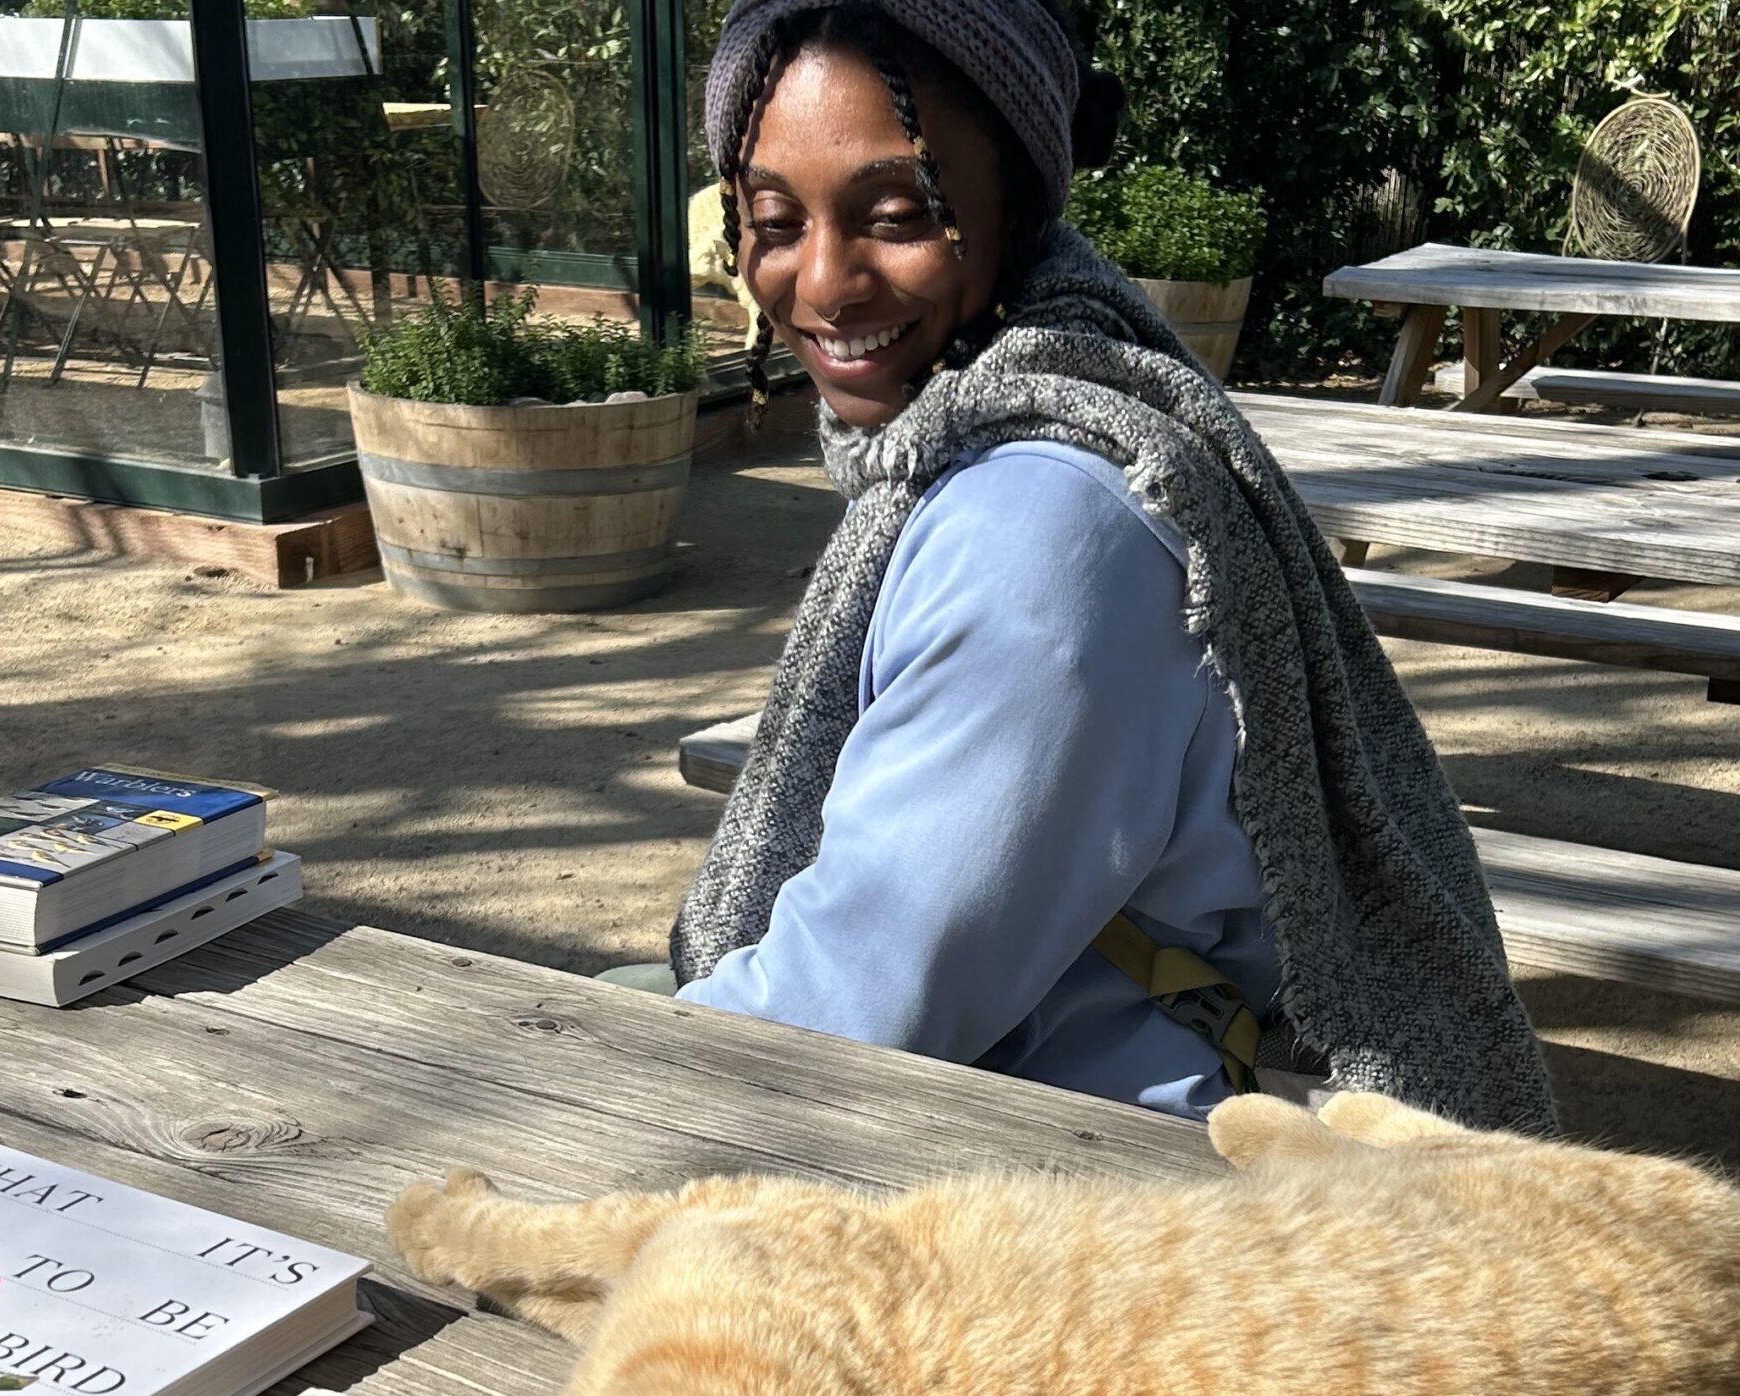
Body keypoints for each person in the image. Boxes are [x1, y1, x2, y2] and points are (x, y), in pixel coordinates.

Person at [659, 0, 1551, 1131]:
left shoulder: (1042, 531)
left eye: (893, 214)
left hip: (1076, 1169)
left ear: (1014, 200)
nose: (825, 281)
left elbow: (844, 1012)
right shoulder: (1029, 409)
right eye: (773, 220)